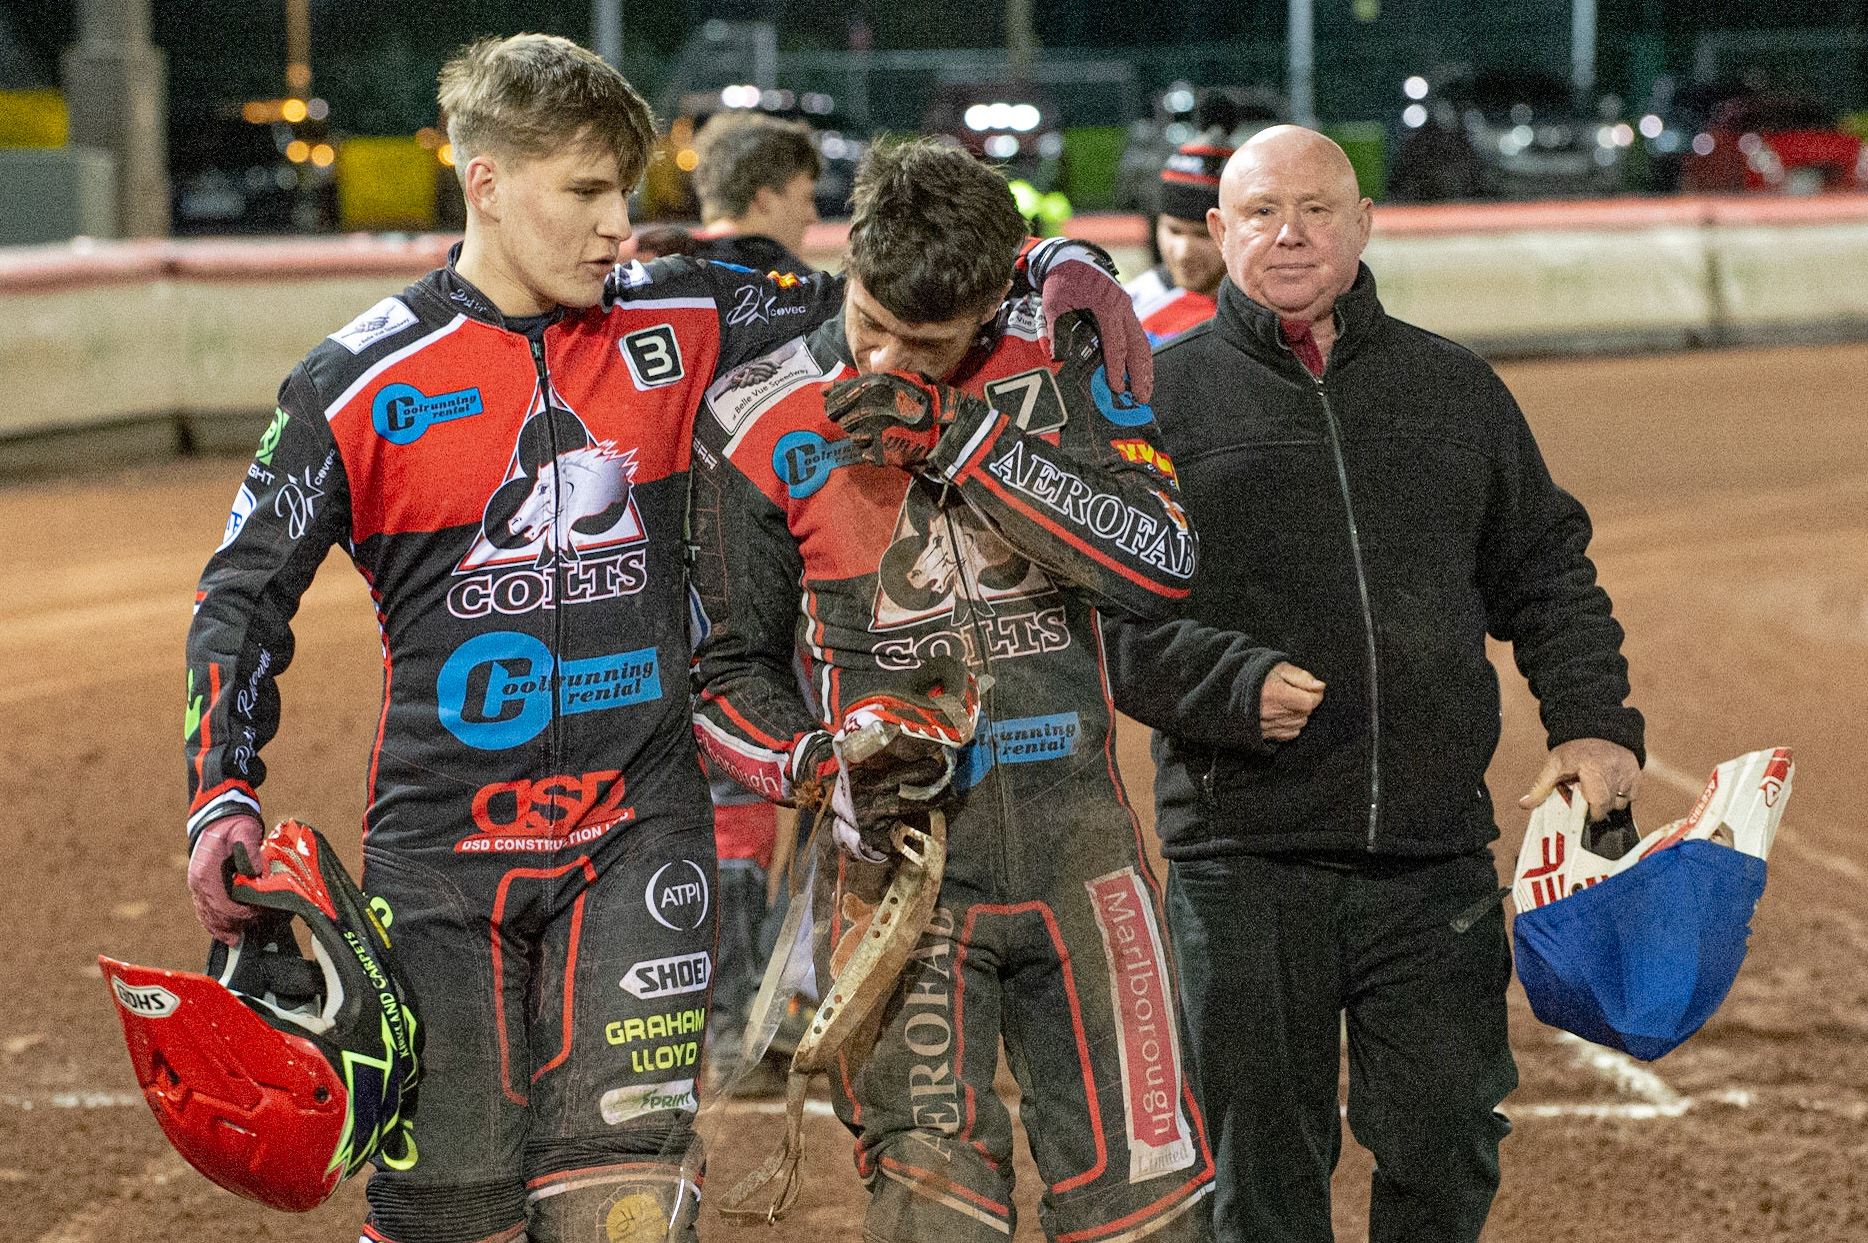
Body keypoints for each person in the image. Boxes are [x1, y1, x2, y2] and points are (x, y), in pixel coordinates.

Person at [182, 37, 1146, 1243]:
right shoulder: (350, 382)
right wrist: (219, 793)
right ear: (485, 183)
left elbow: (901, 284)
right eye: (585, 191)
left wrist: (1048, 261)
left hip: (641, 846)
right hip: (437, 858)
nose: (617, 227)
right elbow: (240, 599)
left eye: (625, 193)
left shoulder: (692, 310)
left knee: (623, 1199)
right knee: (444, 1208)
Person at [1103, 125, 1645, 1243]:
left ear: (1361, 224)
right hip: (1243, 861)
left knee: (1447, 1143)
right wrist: (1230, 683)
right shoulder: (1156, 404)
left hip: (1429, 853)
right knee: (1260, 1175)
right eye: (1261, 212)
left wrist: (1593, 722)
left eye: (1316, 209)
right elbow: (1108, 620)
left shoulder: (1453, 389)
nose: (1289, 234)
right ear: (1218, 231)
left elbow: (1545, 569)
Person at [690, 138, 1214, 1243]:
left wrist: (966, 440)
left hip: (1084, 856)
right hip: (897, 876)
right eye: (870, 322)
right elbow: (723, 675)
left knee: (1152, 1213)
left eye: (927, 345)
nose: (887, 360)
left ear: (988, 306)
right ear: (847, 264)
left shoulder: (1060, 356)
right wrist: (816, 765)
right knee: (931, 1217)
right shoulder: (752, 413)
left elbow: (1161, 562)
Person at [688, 112, 822, 277]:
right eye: (806, 199)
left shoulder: (668, 270)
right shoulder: (792, 282)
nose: (812, 217)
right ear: (764, 199)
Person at [1125, 140, 1230, 344]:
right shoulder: (1125, 312)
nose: (1184, 252)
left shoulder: (1275, 311)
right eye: (1174, 231)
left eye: (1203, 235)